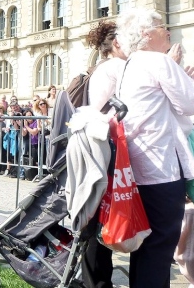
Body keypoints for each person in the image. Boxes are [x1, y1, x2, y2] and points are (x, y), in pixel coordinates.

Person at [116, 8, 194, 288]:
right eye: (161, 26)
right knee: (161, 246)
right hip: (161, 167)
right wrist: (180, 73)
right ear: (145, 33)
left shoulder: (130, 63)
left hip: (140, 165)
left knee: (147, 246)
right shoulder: (158, 61)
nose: (167, 31)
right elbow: (190, 104)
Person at [79, 19, 127, 288]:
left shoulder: (108, 67)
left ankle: (96, 279)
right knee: (100, 218)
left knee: (101, 217)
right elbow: (95, 111)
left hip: (107, 150)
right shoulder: (111, 68)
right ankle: (96, 281)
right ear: (116, 44)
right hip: (106, 150)